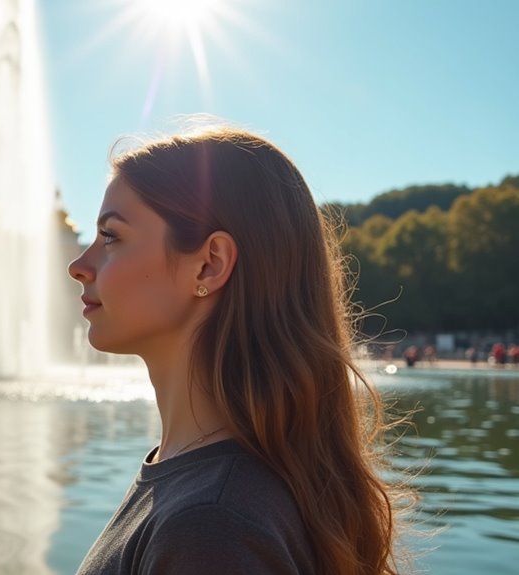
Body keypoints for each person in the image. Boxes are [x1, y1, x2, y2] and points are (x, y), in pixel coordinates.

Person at [68, 125, 409, 574]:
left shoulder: (210, 524)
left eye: (111, 236)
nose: (79, 266)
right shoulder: (202, 485)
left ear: (209, 265)